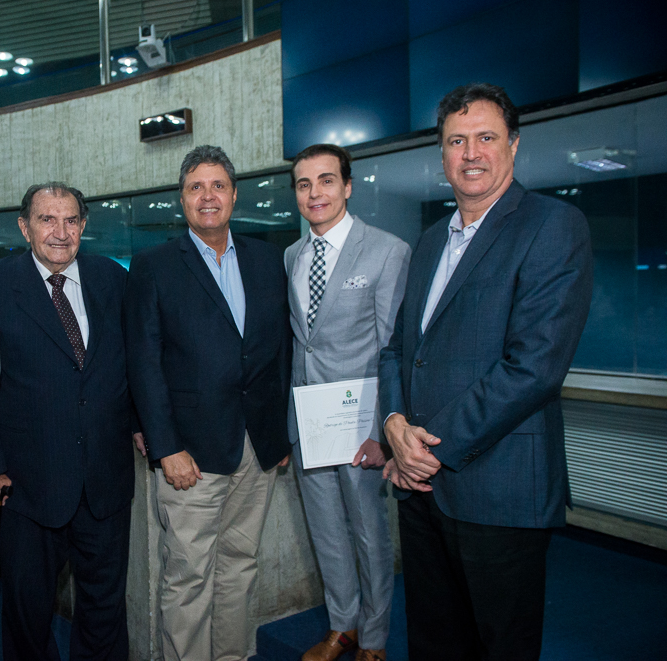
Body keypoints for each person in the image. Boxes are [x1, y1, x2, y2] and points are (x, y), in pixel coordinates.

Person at [378, 83, 594, 660]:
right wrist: (395, 424)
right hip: (421, 486)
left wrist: (427, 447)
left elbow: (534, 368)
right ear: (442, 155)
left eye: (485, 138)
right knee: (434, 641)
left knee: (500, 647)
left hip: (500, 488)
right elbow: (398, 350)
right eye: (456, 140)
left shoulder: (553, 225)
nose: (471, 153)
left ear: (514, 147)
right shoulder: (428, 242)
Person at [125, 145, 292, 661]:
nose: (208, 196)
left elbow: (279, 353)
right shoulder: (154, 266)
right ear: (182, 199)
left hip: (256, 448)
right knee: (189, 573)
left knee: (240, 563)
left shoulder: (267, 260)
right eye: (196, 187)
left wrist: (279, 435)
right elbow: (143, 364)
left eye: (218, 185)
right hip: (190, 455)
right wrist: (164, 446)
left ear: (235, 195)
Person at [0, 182, 141, 661]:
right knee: (28, 617)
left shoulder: (111, 279)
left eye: (71, 220)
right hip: (27, 487)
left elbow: (132, 363)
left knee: (104, 611)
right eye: (47, 220)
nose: (60, 231)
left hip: (105, 481)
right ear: (24, 226)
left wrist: (141, 422)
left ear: (84, 226)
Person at [285, 144, 410, 661]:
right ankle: (344, 625)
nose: (315, 193)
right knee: (327, 534)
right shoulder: (292, 256)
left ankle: (375, 641)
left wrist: (385, 432)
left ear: (348, 186)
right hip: (309, 425)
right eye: (304, 184)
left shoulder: (387, 250)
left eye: (326, 181)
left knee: (369, 536)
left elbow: (392, 349)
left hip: (361, 426)